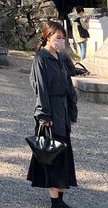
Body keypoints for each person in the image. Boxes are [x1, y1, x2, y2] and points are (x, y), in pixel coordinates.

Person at [27, 20, 78, 207]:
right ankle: (55, 201)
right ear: (48, 37)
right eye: (58, 38)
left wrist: (71, 109)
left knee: (62, 153)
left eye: (63, 38)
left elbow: (69, 83)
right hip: (50, 110)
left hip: (62, 110)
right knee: (52, 154)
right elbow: (41, 89)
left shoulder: (60, 57)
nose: (60, 41)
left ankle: (60, 199)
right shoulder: (41, 58)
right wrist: (44, 115)